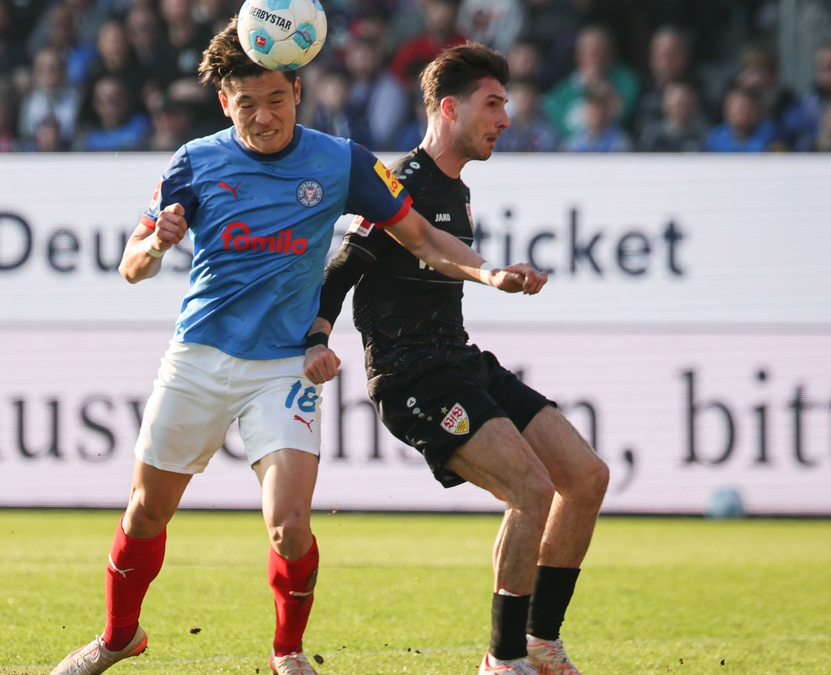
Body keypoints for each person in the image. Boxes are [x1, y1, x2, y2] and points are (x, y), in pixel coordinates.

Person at [48, 20, 540, 675]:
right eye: (246, 104)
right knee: (145, 511)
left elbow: (420, 237)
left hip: (282, 367)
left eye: (275, 100)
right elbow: (129, 266)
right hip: (198, 355)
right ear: (225, 103)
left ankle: (288, 652)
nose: (262, 116)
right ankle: (118, 636)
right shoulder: (195, 162)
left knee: (290, 524)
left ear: (297, 92)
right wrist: (155, 242)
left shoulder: (341, 162)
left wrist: (487, 271)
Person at [312, 43, 608, 675]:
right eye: (493, 103)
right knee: (530, 488)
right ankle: (502, 663)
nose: (506, 117)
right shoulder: (398, 183)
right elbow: (341, 269)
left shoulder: (461, 194)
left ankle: (538, 643)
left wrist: (499, 275)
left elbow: (452, 262)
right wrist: (317, 338)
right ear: (449, 108)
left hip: (460, 359)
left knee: (584, 477)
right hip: (411, 373)